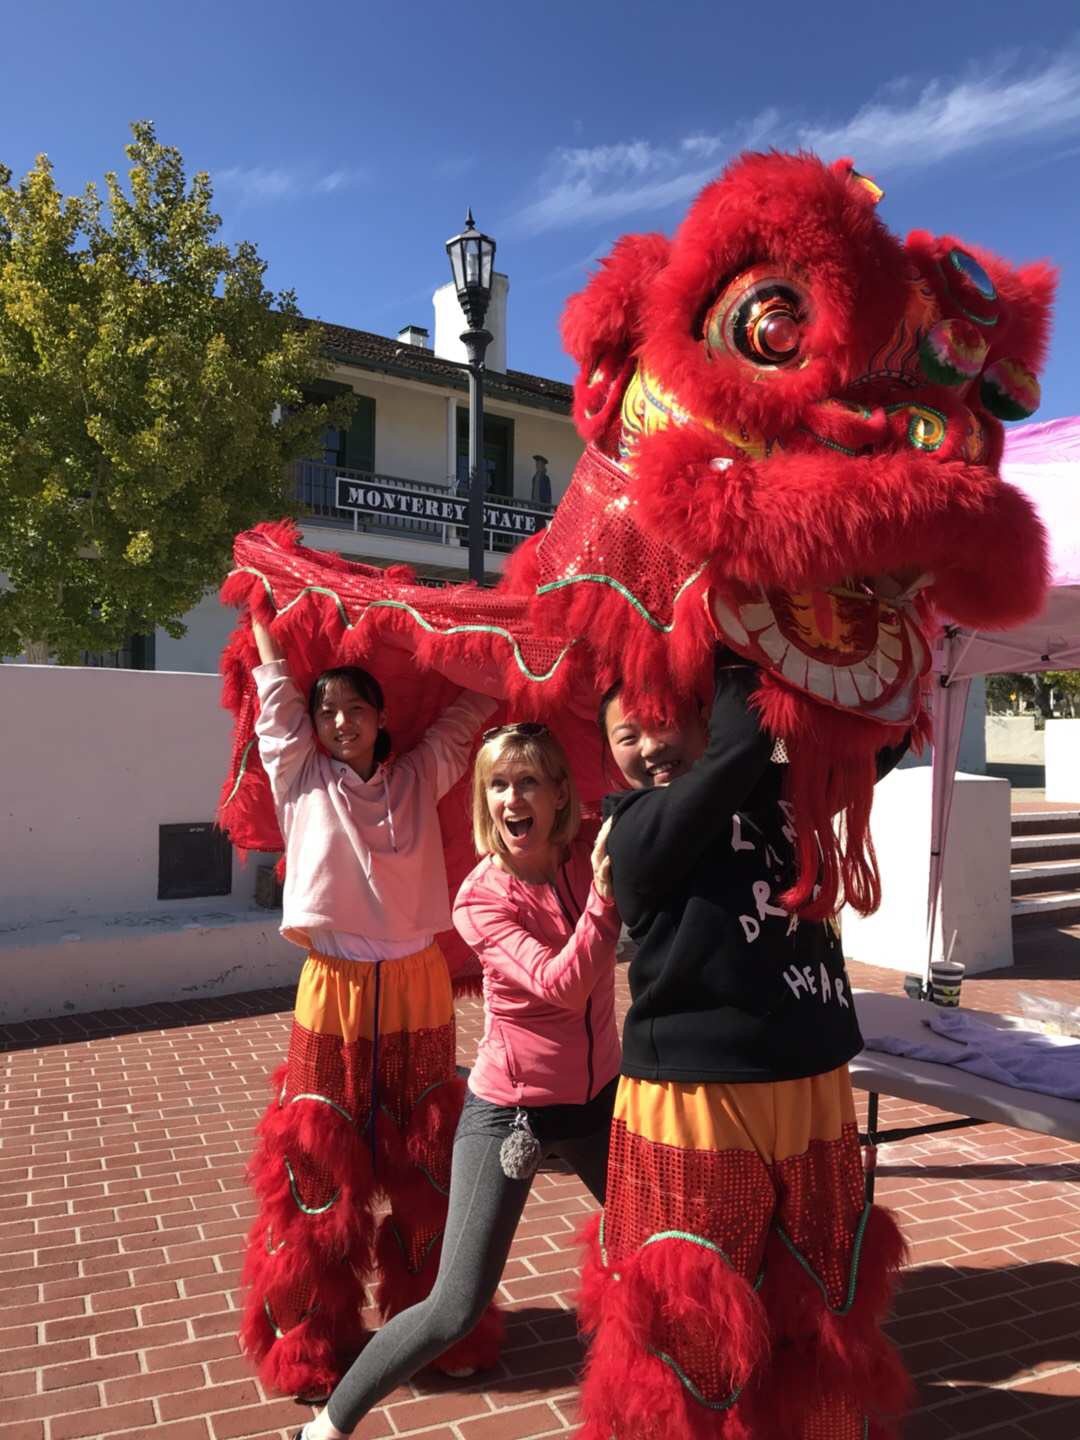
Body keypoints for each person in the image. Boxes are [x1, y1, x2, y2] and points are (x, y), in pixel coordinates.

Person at [576, 620, 912, 1440]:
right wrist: (730, 634)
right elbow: (733, 756)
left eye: (666, 721)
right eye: (629, 733)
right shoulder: (631, 829)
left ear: (703, 717)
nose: (651, 746)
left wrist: (887, 645)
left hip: (810, 1085)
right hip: (695, 1100)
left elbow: (877, 747)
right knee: (694, 1323)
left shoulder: (773, 787)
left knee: (817, 1303)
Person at [296, 721, 621, 1440]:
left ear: (561, 792)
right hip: (513, 1116)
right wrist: (606, 897)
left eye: (530, 780)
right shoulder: (480, 898)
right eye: (499, 784)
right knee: (455, 1305)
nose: (513, 798)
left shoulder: (585, 853)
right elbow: (560, 985)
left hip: (603, 1106)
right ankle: (331, 1422)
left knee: (659, 1243)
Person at [239, 613, 503, 1402]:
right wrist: (263, 617)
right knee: (319, 1171)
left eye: (355, 708)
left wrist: (495, 643)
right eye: (328, 712)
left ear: (382, 717)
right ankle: (312, 1344)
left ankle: (439, 1329)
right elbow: (274, 700)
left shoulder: (420, 775)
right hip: (334, 987)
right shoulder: (301, 776)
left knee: (426, 1159)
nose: (340, 722)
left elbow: (469, 715)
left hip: (418, 987)